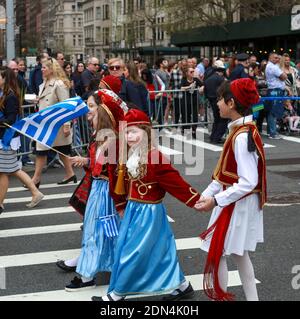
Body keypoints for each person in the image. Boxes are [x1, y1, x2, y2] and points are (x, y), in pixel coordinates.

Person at [92, 109, 201, 301]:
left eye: (135, 132)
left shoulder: (154, 157)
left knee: (132, 251)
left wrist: (196, 200)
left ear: (147, 132)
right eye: (126, 132)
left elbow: (175, 182)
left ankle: (118, 294)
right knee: (159, 250)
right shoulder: (131, 154)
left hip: (149, 213)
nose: (130, 136)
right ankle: (183, 286)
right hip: (134, 209)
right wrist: (121, 205)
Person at [195, 78, 267, 301]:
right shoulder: (244, 130)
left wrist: (215, 200)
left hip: (235, 202)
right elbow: (224, 174)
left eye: (219, 100)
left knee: (219, 254)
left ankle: (221, 298)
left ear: (231, 103)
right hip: (236, 200)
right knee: (238, 253)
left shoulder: (241, 135)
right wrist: (205, 196)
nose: (217, 104)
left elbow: (248, 181)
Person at [63, 90, 127, 291]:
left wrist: (90, 161)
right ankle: (110, 270)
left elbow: (107, 169)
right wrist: (86, 161)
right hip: (101, 190)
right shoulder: (101, 135)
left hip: (105, 193)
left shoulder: (111, 138)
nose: (87, 110)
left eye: (91, 106)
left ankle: (88, 276)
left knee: (96, 233)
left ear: (104, 110)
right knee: (105, 233)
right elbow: (98, 167)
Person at [0, 67, 44, 215]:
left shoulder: (10, 96)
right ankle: (35, 192)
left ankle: (0, 203)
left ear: (4, 79)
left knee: (3, 172)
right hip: (4, 137)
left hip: (6, 139)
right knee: (13, 169)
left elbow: (11, 120)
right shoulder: (4, 94)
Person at [31, 58, 76, 187]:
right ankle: (70, 174)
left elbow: (66, 106)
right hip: (46, 123)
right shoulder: (44, 83)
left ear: (51, 69)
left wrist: (67, 125)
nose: (42, 70)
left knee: (43, 151)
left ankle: (36, 179)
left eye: (44, 67)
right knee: (54, 150)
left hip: (56, 124)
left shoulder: (59, 84)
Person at [204, 60, 227, 144]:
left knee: (216, 119)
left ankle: (213, 137)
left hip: (211, 101)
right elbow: (224, 91)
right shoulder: (221, 79)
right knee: (223, 119)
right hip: (220, 101)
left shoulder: (208, 79)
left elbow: (205, 91)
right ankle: (216, 137)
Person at [180, 67, 203, 138]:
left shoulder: (196, 79)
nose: (193, 73)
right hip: (186, 101)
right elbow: (181, 88)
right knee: (186, 116)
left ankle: (193, 130)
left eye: (193, 71)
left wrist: (201, 88)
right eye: (191, 72)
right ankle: (185, 130)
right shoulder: (183, 79)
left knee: (195, 117)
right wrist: (189, 87)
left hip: (194, 101)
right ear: (187, 73)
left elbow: (202, 85)